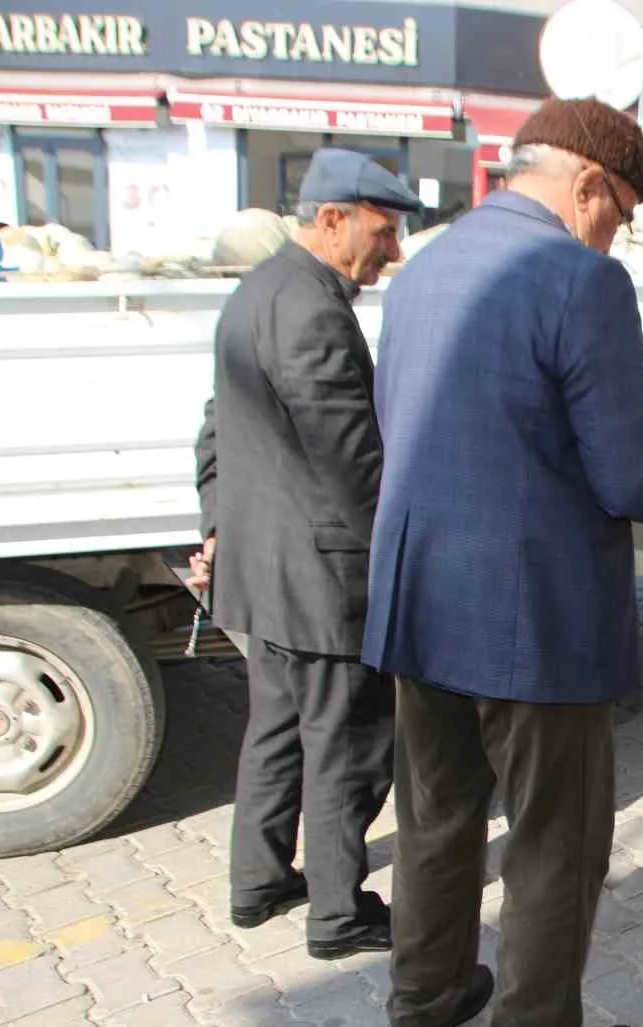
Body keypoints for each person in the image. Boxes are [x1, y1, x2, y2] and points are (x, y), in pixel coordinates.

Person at [364, 99, 643, 1027]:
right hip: (532, 623)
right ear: (588, 183)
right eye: (620, 211)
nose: (614, 234)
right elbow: (631, 474)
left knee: (435, 820)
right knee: (555, 843)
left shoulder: (420, 271)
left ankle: (421, 1004)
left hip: (420, 600)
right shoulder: (581, 281)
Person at [191, 147, 421, 961]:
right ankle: (338, 913)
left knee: (278, 729)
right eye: (383, 232)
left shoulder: (255, 291)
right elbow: (351, 461)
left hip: (262, 572)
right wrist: (404, 555)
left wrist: (218, 527)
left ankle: (257, 883)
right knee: (348, 743)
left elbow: (216, 428)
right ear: (332, 219)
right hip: (323, 581)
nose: (391, 252)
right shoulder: (314, 309)